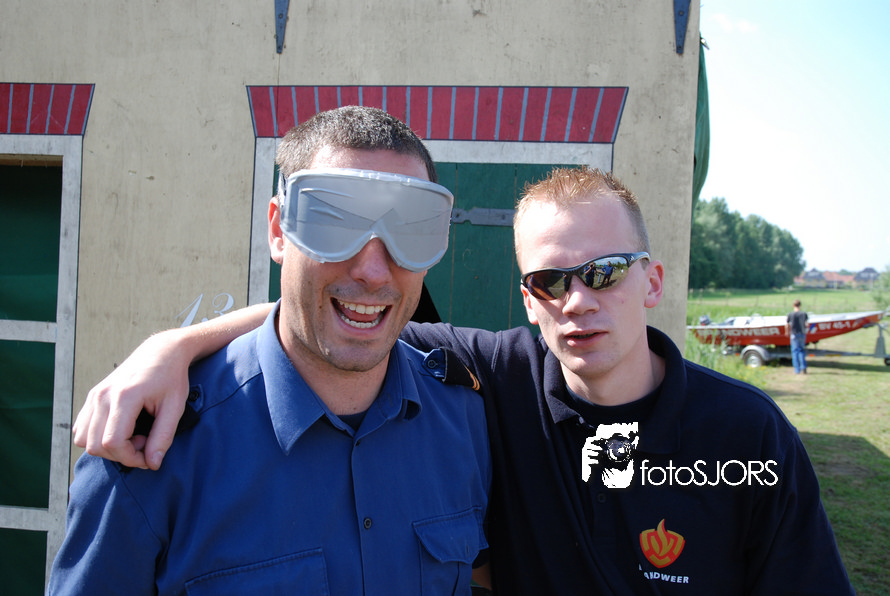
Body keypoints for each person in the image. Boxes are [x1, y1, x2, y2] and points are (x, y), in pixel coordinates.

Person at [73, 167, 854, 594]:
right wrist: (173, 347)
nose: (577, 301)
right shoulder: (499, 380)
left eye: (604, 273)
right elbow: (335, 318)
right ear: (528, 301)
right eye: (550, 281)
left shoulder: (747, 435)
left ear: (650, 281)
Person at [49, 106, 492, 595]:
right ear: (279, 231)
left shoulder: (462, 421)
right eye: (334, 221)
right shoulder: (150, 449)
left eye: (409, 229)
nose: (372, 270)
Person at [787, 298, 809, 374]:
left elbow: (787, 324)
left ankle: (797, 370)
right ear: (800, 305)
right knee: (801, 350)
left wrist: (787, 332)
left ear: (793, 305)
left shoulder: (791, 314)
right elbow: (807, 324)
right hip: (802, 334)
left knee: (795, 351)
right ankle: (803, 367)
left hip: (794, 334)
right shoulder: (804, 314)